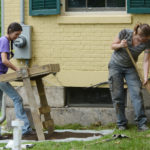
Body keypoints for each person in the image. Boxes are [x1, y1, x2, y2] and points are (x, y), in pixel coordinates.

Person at [108, 23, 150, 131]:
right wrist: (121, 45)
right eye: (142, 39)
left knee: (136, 93)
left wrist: (145, 76)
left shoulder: (148, 41)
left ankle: (141, 124)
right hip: (115, 66)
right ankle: (121, 123)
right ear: (136, 34)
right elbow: (112, 46)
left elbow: (146, 60)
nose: (144, 41)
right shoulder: (125, 33)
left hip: (131, 67)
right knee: (117, 95)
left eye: (146, 39)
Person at [0, 22, 34, 135]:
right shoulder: (4, 41)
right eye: (16, 34)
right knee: (17, 99)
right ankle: (25, 129)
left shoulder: (7, 42)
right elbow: (4, 60)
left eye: (19, 35)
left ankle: (25, 129)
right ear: (10, 31)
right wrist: (17, 69)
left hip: (2, 76)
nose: (17, 37)